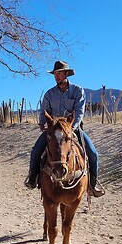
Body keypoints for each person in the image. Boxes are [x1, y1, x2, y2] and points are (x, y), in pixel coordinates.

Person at [25, 60, 105, 197]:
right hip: (54, 130)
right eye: (55, 74)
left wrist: (71, 128)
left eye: (59, 73)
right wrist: (42, 123)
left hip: (72, 128)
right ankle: (33, 178)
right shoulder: (49, 94)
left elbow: (79, 112)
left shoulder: (78, 91)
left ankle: (93, 185)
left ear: (66, 74)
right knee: (36, 150)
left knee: (93, 153)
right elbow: (44, 110)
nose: (57, 76)